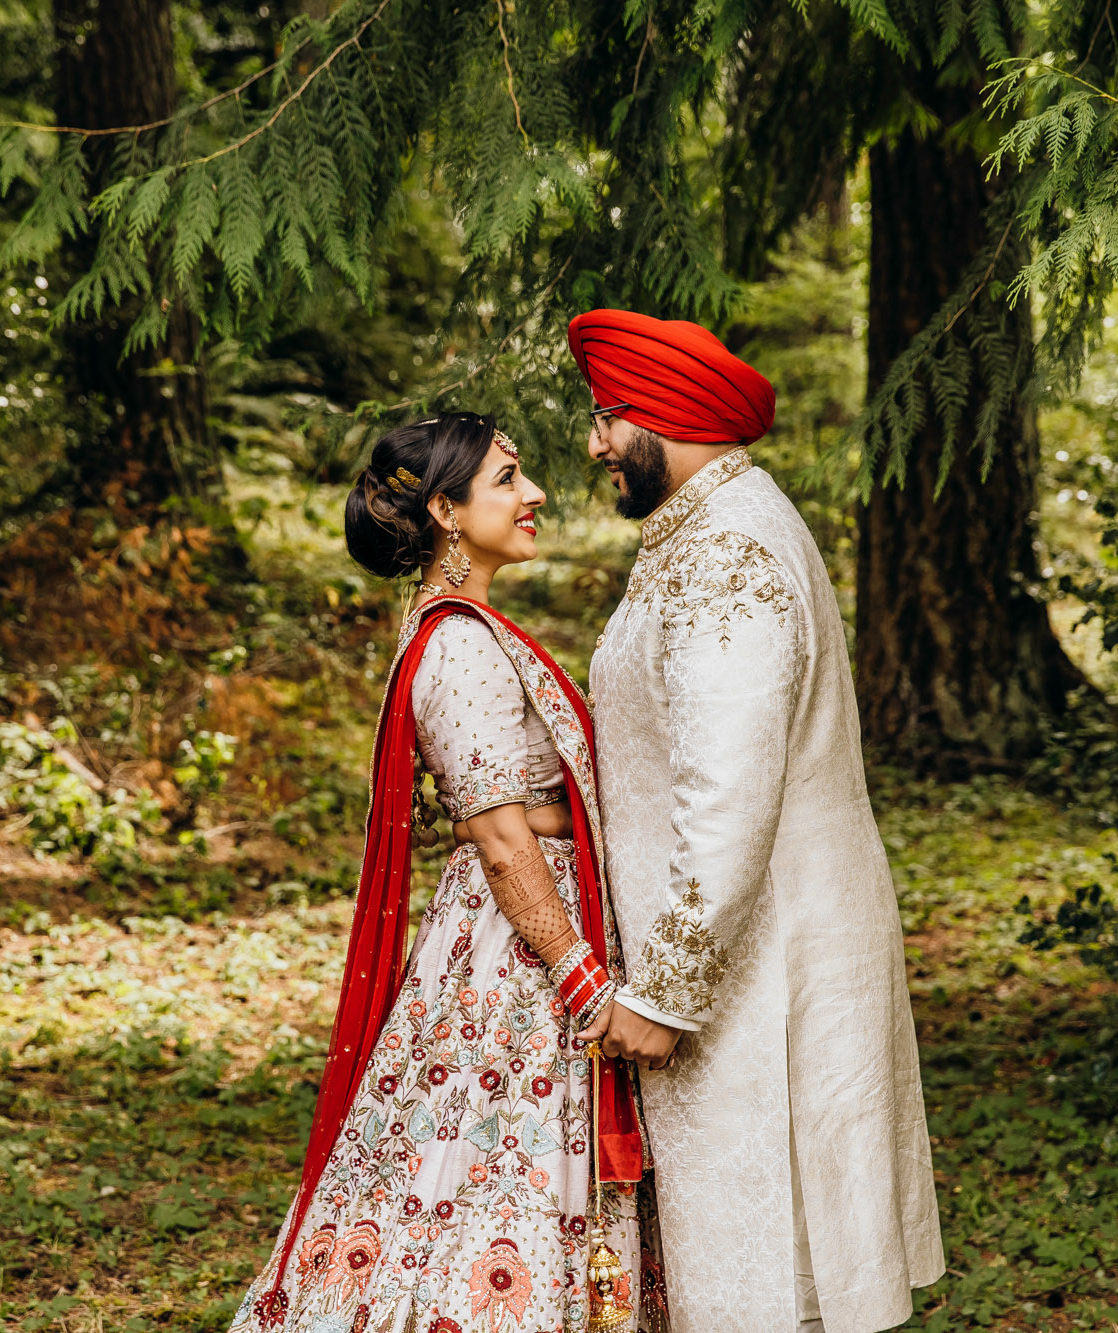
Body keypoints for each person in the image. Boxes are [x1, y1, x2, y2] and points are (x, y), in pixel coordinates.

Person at [230, 411, 667, 1333]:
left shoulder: (459, 629)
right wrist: (585, 985)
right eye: (508, 477)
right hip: (518, 965)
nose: (534, 492)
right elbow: (502, 840)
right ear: (445, 510)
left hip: (521, 945)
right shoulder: (460, 643)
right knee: (492, 1171)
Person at [568, 310, 946, 1333]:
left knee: (759, 1270)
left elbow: (727, 791)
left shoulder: (724, 552)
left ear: (664, 414)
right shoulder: (708, 528)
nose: (594, 441)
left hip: (755, 967)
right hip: (760, 948)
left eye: (608, 416)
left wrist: (665, 994)